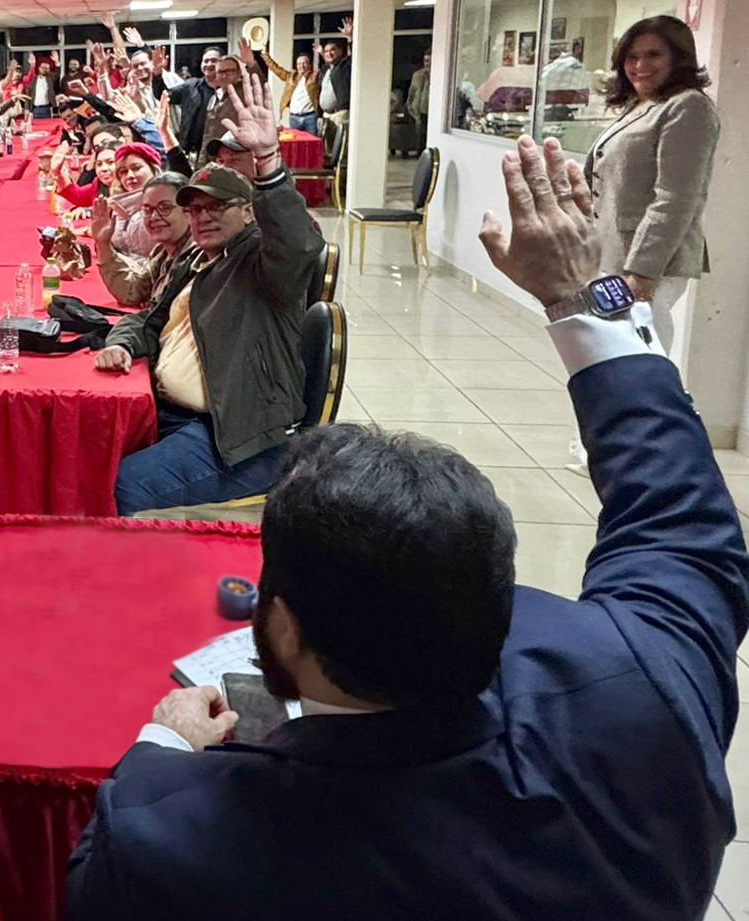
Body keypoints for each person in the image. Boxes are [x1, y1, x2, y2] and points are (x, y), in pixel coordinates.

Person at [70, 129, 749, 921]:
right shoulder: (649, 696)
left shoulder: (174, 840)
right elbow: (681, 526)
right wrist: (584, 298)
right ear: (497, 602)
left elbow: (99, 870)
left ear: (279, 633)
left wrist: (164, 742)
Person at [95, 73, 324, 515]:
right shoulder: (196, 259)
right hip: (176, 414)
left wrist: (268, 163)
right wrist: (121, 343)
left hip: (237, 436)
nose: (203, 218)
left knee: (120, 487)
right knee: (83, 448)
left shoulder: (260, 260)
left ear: (248, 212)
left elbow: (299, 244)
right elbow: (147, 318)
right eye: (195, 209)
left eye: (217, 206)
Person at [586, 14, 718, 358]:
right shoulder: (640, 105)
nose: (640, 66)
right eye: (632, 57)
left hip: (650, 261)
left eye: (653, 55)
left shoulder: (688, 106)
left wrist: (642, 273)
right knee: (616, 357)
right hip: (615, 253)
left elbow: (676, 198)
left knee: (643, 357)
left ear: (678, 57)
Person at [94, 171, 192, 308]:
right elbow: (132, 293)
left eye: (165, 208)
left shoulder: (197, 257)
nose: (154, 217)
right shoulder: (163, 252)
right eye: (147, 210)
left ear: (189, 210)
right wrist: (103, 243)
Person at [154, 48, 220, 164]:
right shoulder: (190, 86)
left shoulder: (229, 89)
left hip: (217, 152)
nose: (209, 64)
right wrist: (157, 73)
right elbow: (162, 94)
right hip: (189, 152)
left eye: (214, 60)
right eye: (206, 61)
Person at [103, 142, 164, 257]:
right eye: (123, 172)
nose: (130, 175)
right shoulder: (114, 206)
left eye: (136, 168)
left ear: (153, 169)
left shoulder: (164, 204)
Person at [262, 50, 321, 134]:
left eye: (304, 63)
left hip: (310, 117)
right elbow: (276, 69)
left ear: (310, 65)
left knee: (312, 141)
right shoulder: (291, 77)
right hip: (294, 118)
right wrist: (266, 56)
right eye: (299, 64)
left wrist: (321, 52)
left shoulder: (315, 77)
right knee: (295, 141)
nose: (301, 66)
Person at [319, 28, 353, 128]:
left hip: (339, 114)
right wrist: (322, 53)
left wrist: (350, 37)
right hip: (326, 115)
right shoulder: (326, 69)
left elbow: (355, 56)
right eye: (326, 51)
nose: (329, 53)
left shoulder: (344, 66)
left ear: (340, 51)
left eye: (333, 50)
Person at [408, 49, 432, 141]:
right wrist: (411, 108)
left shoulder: (439, 75)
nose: (428, 64)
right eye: (426, 61)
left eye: (430, 61)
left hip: (432, 114)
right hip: (418, 114)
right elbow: (411, 93)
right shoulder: (417, 75)